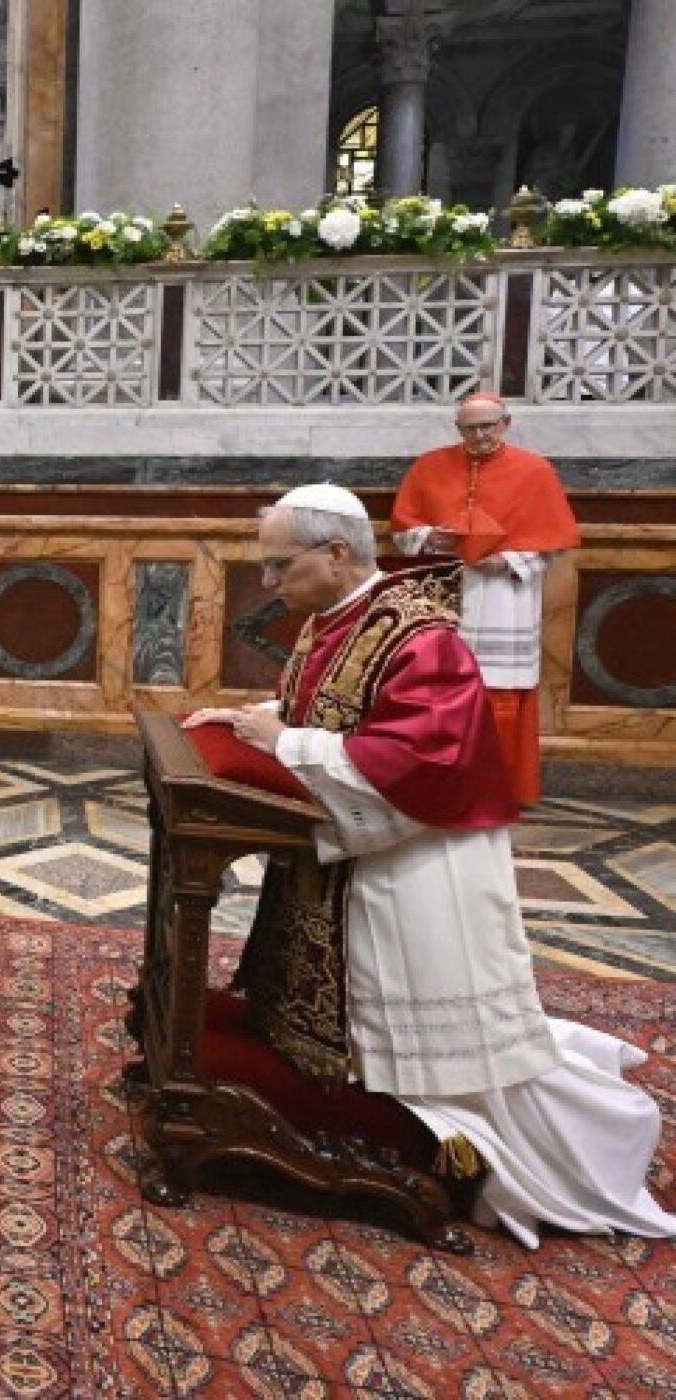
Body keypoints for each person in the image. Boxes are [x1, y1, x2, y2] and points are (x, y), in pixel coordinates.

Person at [183, 484, 674, 1248]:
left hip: (415, 870)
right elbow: (330, 712)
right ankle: (346, 1068)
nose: (269, 583)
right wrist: (253, 723)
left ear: (336, 553)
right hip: (363, 858)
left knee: (427, 1044)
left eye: (279, 565)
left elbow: (420, 767)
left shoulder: (420, 638)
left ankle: (515, 1139)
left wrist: (284, 743)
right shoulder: (336, 619)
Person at [390, 392, 579, 806]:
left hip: (503, 595)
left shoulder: (535, 471)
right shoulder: (429, 466)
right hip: (443, 590)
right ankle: (439, 779)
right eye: (469, 428)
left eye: (488, 426)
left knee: (501, 692)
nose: (479, 435)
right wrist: (430, 537)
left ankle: (499, 786)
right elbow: (404, 529)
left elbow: (556, 541)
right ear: (458, 429)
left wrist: (509, 559)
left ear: (506, 423)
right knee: (437, 688)